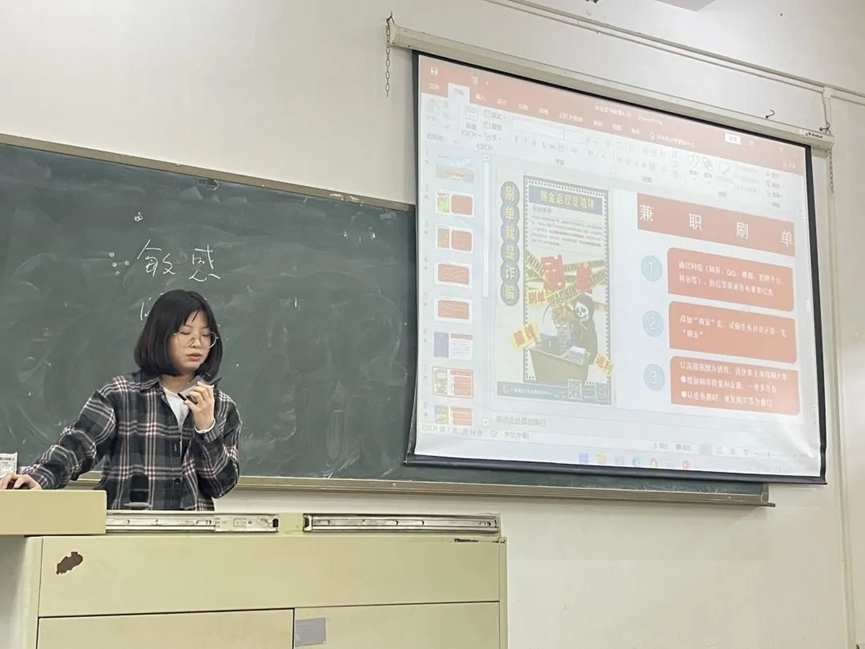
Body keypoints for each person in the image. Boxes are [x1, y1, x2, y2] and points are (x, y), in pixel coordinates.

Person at [0, 290, 241, 510]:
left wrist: (207, 428)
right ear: (160, 336)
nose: (197, 343)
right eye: (185, 333)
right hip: (128, 531)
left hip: (193, 535)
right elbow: (78, 445)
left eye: (206, 335)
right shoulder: (121, 394)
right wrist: (39, 477)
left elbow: (220, 485)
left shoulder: (222, 406)